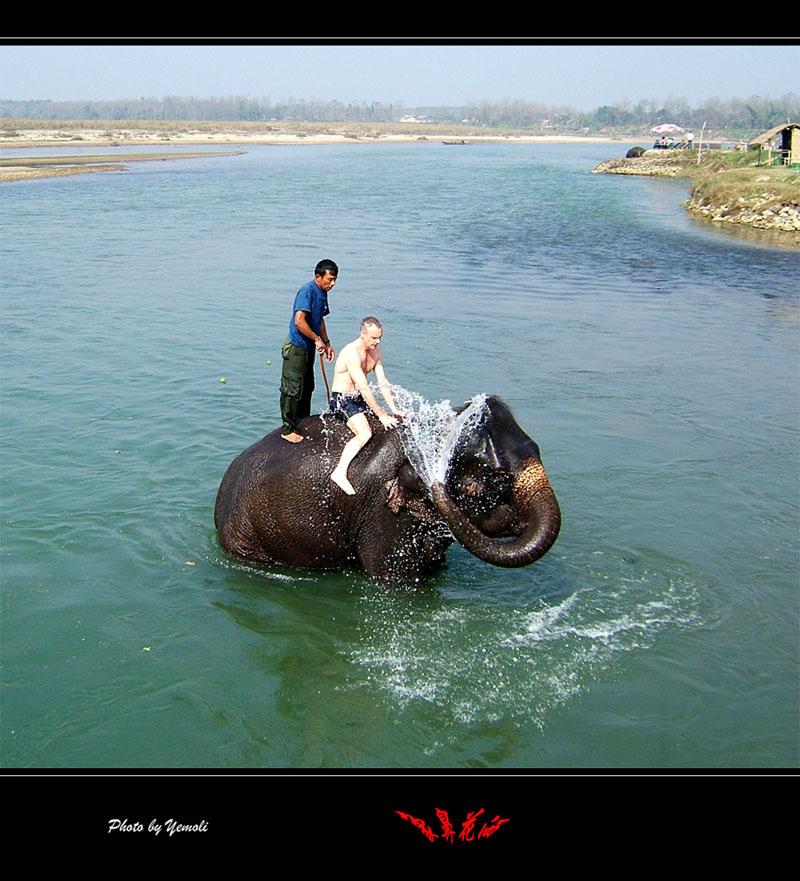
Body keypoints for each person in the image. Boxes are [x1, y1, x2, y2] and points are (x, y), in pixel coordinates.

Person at [329, 317, 403, 495]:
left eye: (380, 338)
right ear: (363, 335)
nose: (377, 342)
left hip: (359, 399)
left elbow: (383, 382)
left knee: (385, 425)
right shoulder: (351, 353)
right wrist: (380, 413)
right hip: (343, 400)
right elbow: (363, 386)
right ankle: (339, 472)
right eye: (373, 338)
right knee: (365, 432)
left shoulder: (376, 352)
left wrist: (392, 409)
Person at [280, 259, 338, 443]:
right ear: (318, 277)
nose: (333, 284)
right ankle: (288, 428)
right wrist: (316, 339)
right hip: (297, 346)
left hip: (310, 346)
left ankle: (302, 421)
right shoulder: (307, 291)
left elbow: (319, 320)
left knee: (307, 386)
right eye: (330, 279)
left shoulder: (322, 293)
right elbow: (299, 320)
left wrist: (326, 342)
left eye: (335, 280)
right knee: (292, 387)